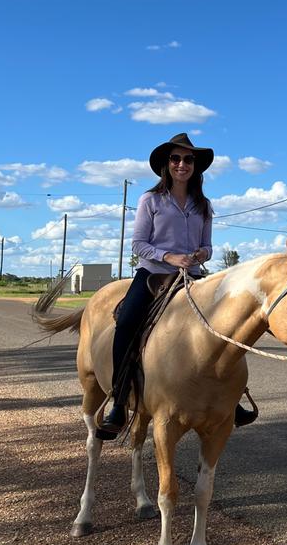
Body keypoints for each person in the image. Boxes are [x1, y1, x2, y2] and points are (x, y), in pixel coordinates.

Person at [99, 132, 255, 438]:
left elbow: (208, 246)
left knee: (227, 327)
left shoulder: (203, 205)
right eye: (176, 158)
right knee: (128, 323)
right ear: (166, 164)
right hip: (153, 275)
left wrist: (200, 254)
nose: (182, 164)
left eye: (188, 159)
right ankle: (118, 400)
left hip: (193, 277)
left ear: (195, 166)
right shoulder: (151, 200)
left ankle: (232, 397)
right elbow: (138, 244)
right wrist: (168, 256)